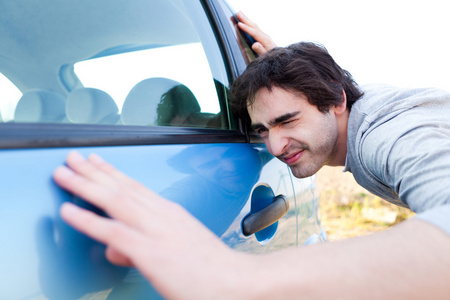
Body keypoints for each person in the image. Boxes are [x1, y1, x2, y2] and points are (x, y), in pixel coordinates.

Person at [53, 12, 450, 299]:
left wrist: (231, 276)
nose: (275, 148)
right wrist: (282, 61)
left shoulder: (389, 136)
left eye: (287, 120)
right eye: (263, 130)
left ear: (336, 99)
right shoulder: (361, 106)